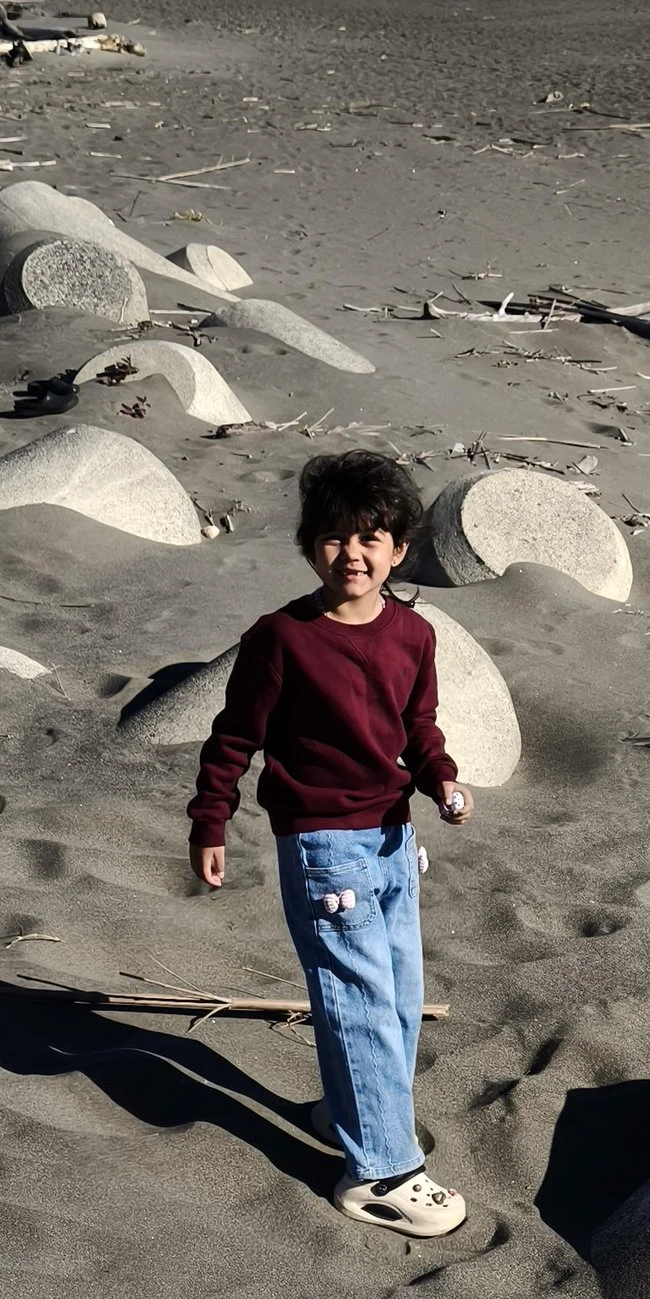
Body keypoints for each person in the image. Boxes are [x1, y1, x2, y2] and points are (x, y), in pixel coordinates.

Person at [188, 451, 473, 1236]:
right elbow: (233, 737)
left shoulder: (413, 634)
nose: (352, 554)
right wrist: (209, 818)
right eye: (335, 538)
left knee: (400, 1003)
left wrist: (441, 780)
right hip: (323, 850)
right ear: (312, 546)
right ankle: (380, 1172)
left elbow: (418, 730)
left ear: (399, 550)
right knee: (359, 1006)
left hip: (392, 841)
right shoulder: (281, 638)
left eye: (371, 538)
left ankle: (348, 1113)